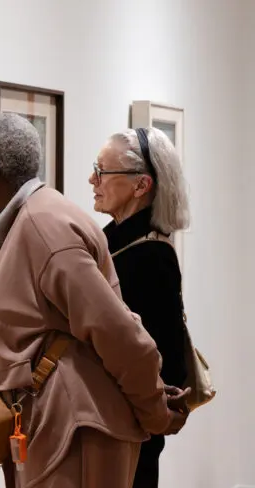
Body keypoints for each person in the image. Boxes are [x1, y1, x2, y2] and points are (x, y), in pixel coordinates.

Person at [0, 113, 188, 488]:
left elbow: (120, 335)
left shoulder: (44, 229)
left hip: (77, 438)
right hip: (54, 433)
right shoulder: (25, 224)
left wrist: (156, 413)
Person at [90, 127, 190, 488]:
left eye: (102, 171)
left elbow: (163, 359)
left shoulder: (152, 256)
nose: (92, 180)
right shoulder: (110, 242)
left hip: (130, 434)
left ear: (141, 185)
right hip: (106, 425)